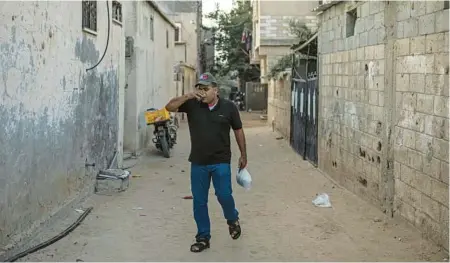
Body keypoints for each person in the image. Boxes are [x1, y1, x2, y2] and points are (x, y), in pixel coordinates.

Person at [165, 72, 247, 253]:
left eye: (206, 88)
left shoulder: (229, 107)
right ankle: (203, 237)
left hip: (221, 161)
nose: (202, 92)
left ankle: (232, 218)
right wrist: (187, 95)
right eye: (199, 88)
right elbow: (169, 107)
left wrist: (243, 154)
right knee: (199, 201)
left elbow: (238, 131)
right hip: (198, 162)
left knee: (224, 195)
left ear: (215, 90)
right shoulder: (192, 105)